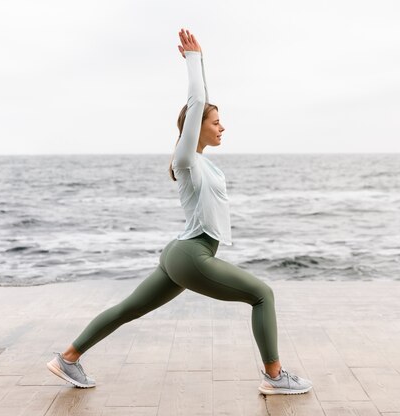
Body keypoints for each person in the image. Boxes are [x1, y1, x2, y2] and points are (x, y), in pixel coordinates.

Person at [47, 28, 313, 395]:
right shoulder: (186, 159)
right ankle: (274, 376)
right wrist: (194, 60)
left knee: (128, 309)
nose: (222, 127)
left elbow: (203, 102)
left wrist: (201, 63)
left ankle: (68, 358)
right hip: (192, 253)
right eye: (215, 122)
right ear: (196, 127)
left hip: (179, 252)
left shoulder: (202, 163)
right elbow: (198, 100)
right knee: (262, 295)